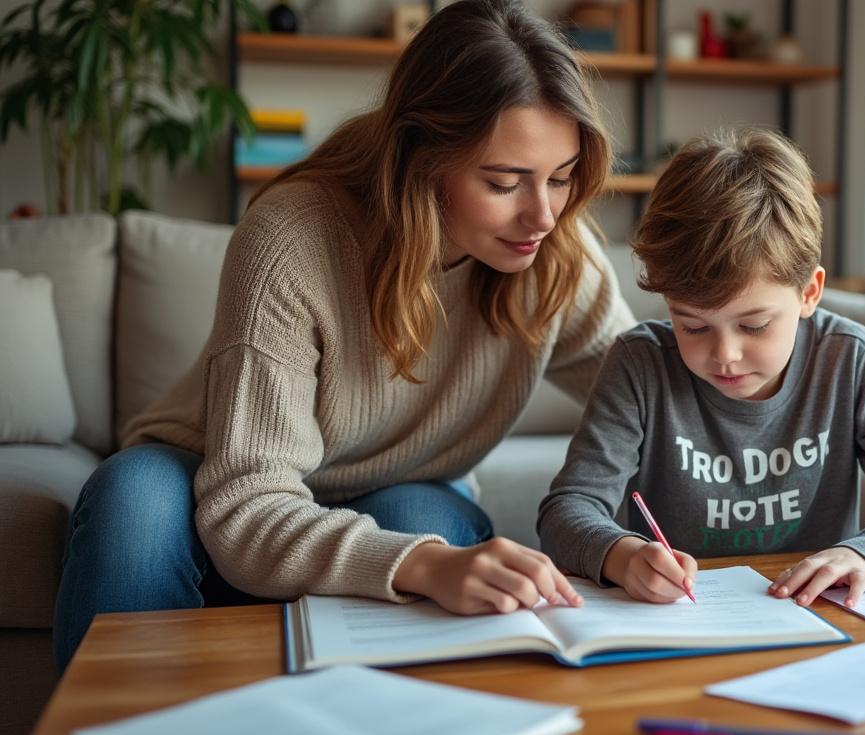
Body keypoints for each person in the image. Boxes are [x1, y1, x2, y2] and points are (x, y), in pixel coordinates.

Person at [52, 0, 635, 670]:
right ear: (422, 157)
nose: (543, 214)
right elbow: (247, 500)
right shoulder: (293, 241)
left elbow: (655, 401)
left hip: (402, 486)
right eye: (505, 183)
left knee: (428, 520)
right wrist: (422, 565)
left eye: (561, 178)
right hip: (217, 482)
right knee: (134, 504)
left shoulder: (558, 252)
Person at [537, 127, 865, 609]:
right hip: (682, 619)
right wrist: (621, 555)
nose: (725, 354)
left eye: (755, 325)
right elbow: (566, 511)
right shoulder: (640, 365)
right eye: (693, 326)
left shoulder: (849, 359)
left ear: (809, 292)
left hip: (818, 614)